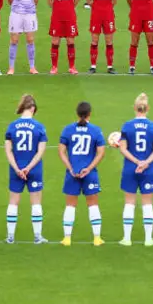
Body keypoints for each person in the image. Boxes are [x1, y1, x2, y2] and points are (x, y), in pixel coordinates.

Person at [58, 102, 106, 246]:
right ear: (89, 114)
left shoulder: (68, 130)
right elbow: (101, 153)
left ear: (77, 113)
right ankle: (97, 238)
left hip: (72, 174)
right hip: (89, 174)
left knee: (70, 205)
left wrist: (71, 168)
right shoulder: (96, 131)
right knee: (93, 205)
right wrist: (89, 168)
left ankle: (67, 238)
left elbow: (61, 151)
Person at [118, 93, 153, 246]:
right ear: (147, 108)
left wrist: (137, 162)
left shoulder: (127, 126)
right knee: (147, 203)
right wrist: (145, 163)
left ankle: (127, 238)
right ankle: (148, 239)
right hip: (148, 170)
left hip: (130, 168)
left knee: (129, 202)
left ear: (135, 108)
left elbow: (123, 149)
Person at [4, 94, 48, 244]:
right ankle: (37, 236)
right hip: (34, 169)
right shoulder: (39, 127)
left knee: (13, 202)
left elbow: (8, 150)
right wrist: (29, 167)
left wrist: (17, 168)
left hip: (16, 168)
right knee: (36, 202)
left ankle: (10, 237)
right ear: (33, 108)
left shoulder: (12, 126)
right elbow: (40, 151)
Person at [7, 0, 41, 75]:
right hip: (16, 14)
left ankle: (32, 67)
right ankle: (11, 68)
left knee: (30, 39)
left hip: (30, 14)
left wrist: (28, 8)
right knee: (14, 40)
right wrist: (18, 8)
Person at [86, 0, 119, 74]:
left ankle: (110, 66)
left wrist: (107, 8)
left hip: (108, 17)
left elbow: (115, 0)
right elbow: (88, 0)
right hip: (96, 17)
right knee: (94, 40)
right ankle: (93, 66)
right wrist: (96, 7)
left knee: (109, 41)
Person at [47, 0, 80, 75]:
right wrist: (57, 9)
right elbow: (49, 0)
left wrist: (68, 8)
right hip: (57, 18)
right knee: (55, 41)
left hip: (70, 18)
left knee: (70, 41)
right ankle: (54, 67)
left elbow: (76, 0)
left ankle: (72, 67)